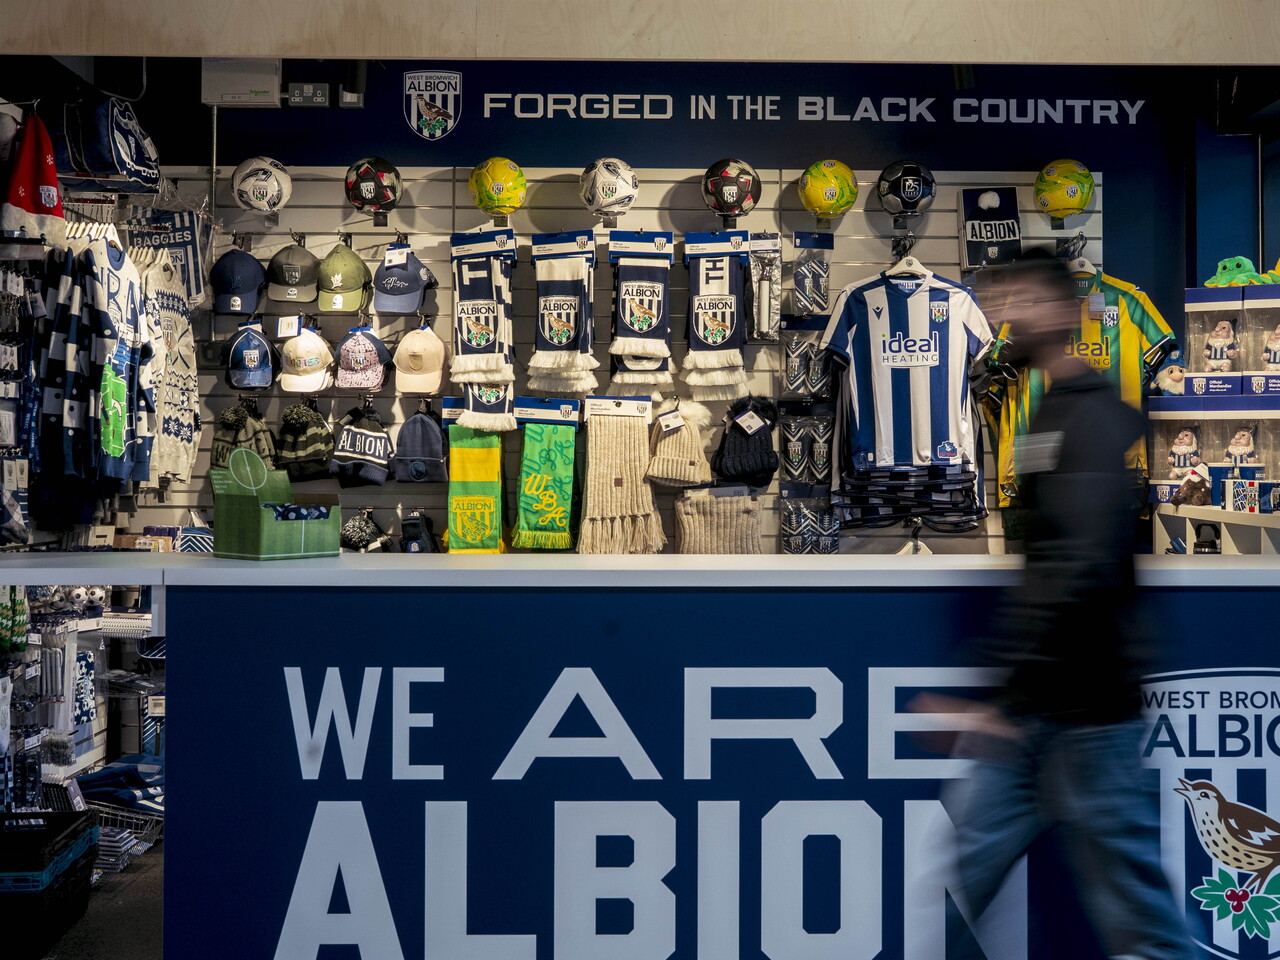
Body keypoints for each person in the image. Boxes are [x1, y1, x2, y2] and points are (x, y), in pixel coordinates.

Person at [941, 249, 1193, 960]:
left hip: (1086, 714)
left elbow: (1074, 567)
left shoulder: (1094, 420)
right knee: (962, 886)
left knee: (1141, 920)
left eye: (1013, 298)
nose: (998, 316)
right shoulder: (1048, 411)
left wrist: (1001, 691)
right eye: (994, 300)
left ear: (1057, 310)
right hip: (1042, 712)